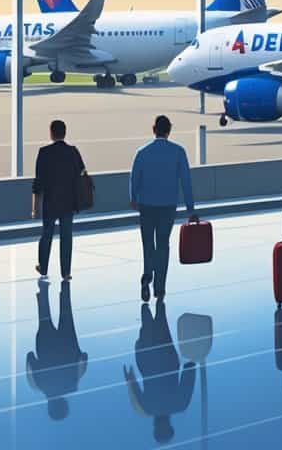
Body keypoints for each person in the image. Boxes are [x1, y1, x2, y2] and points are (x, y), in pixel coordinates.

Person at [130, 115, 196, 303]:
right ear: (169, 130)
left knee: (148, 243)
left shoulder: (142, 152)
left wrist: (133, 197)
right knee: (163, 244)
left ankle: (146, 277)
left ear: (154, 129)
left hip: (147, 205)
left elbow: (134, 177)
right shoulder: (178, 152)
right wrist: (190, 208)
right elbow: (186, 181)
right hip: (167, 205)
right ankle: (160, 288)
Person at [124, 301, 196, 442]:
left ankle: (158, 296)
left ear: (170, 426)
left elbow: (189, 374)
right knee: (146, 326)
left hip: (167, 359)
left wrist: (191, 362)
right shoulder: (147, 409)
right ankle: (146, 301)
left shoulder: (180, 405)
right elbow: (134, 387)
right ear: (155, 428)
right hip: (147, 362)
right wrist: (129, 376)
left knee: (161, 322)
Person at [32, 120, 85, 281]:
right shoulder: (73, 151)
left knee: (46, 234)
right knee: (66, 236)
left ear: (51, 133)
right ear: (65, 133)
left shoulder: (44, 152)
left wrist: (34, 207)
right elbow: (82, 172)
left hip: (50, 201)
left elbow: (38, 182)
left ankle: (43, 267)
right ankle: (66, 272)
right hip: (68, 201)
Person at [26, 282, 87, 420]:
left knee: (66, 312)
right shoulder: (39, 385)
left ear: (65, 405)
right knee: (44, 316)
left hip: (68, 342)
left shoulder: (74, 383)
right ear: (50, 406)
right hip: (45, 344)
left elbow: (84, 358)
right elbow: (30, 357)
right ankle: (43, 290)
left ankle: (65, 288)